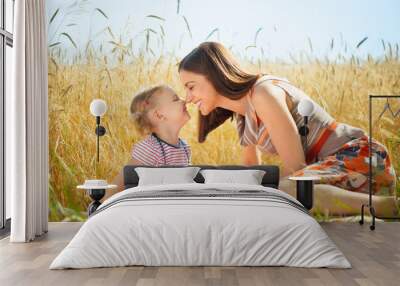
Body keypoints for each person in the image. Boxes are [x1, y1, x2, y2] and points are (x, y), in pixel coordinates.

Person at [178, 41, 398, 217]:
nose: (187, 98)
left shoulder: (263, 93)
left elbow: (297, 168)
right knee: (264, 195)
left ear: (215, 75)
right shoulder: (243, 116)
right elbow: (252, 172)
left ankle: (387, 207)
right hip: (337, 175)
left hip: (361, 159)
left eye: (191, 86)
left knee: (288, 191)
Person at [103, 84, 191, 201]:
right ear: (159, 115)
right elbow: (120, 183)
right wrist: (101, 207)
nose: (184, 100)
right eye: (176, 99)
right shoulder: (150, 148)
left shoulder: (184, 147)